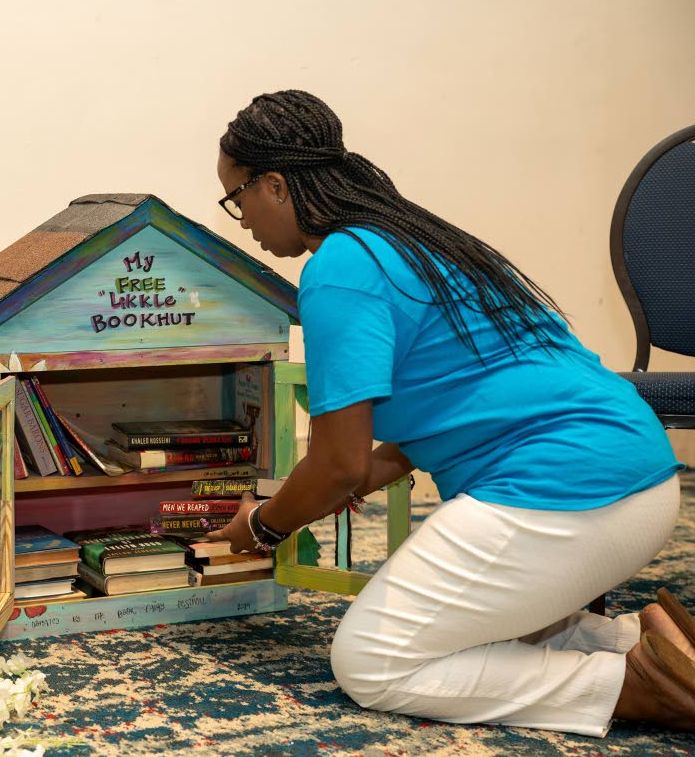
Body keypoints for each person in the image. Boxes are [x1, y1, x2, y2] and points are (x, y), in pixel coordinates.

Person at [206, 89, 695, 735]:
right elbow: (439, 411)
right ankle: (631, 640)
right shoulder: (417, 240)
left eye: (234, 197)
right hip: (642, 478)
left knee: (371, 662)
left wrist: (262, 526)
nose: (238, 218)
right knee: (467, 639)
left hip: (568, 495)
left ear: (274, 185)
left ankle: (629, 685)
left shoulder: (338, 268)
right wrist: (355, 478)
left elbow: (338, 463)